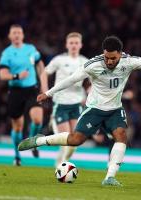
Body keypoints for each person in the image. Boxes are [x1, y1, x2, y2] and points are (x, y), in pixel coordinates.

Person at [18, 35, 141, 186]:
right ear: (103, 53)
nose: (109, 61)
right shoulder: (93, 65)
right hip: (94, 109)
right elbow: (71, 79)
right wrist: (48, 93)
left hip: (114, 110)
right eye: (106, 57)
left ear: (120, 54)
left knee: (121, 136)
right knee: (76, 140)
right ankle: (39, 140)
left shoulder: (128, 62)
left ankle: (110, 177)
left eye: (113, 58)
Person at [0, 24, 48, 166]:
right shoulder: (7, 53)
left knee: (38, 120)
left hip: (32, 89)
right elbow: (2, 74)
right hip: (15, 92)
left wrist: (44, 86)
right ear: (9, 36)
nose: (17, 35)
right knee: (18, 128)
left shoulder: (30, 49)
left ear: (23, 35)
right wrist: (16, 76)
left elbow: (39, 64)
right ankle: (17, 156)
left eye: (19, 32)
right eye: (14, 33)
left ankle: (32, 142)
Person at [42, 32, 89, 167]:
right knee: (66, 138)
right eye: (71, 43)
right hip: (61, 104)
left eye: (76, 43)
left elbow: (93, 82)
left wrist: (88, 94)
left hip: (77, 104)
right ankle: (61, 166)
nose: (74, 45)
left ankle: (62, 163)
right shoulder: (59, 60)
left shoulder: (85, 62)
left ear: (80, 45)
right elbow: (44, 73)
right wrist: (46, 91)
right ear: (66, 45)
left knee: (75, 141)